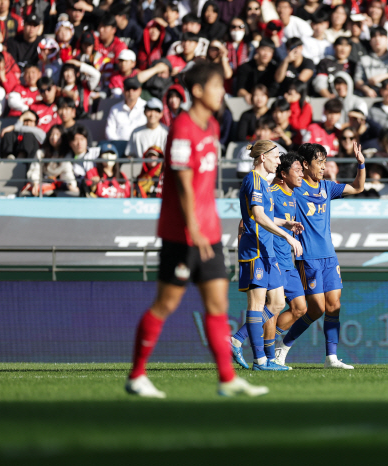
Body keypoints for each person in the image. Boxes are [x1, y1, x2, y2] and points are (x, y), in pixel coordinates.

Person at [125, 62, 268, 398]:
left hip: (210, 232)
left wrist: (207, 227)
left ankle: (227, 380)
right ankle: (137, 375)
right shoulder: (182, 127)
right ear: (200, 90)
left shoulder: (213, 126)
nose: (223, 92)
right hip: (183, 235)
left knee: (218, 305)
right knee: (165, 304)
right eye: (217, 86)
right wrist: (193, 226)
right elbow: (182, 179)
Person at [273, 142, 366, 369]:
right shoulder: (294, 187)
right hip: (308, 258)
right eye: (319, 162)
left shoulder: (327, 187)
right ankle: (274, 344)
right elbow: (274, 198)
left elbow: (357, 187)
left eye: (325, 161)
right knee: (316, 308)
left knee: (333, 306)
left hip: (329, 257)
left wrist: (361, 164)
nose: (323, 166)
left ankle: (331, 358)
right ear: (305, 164)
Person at [230, 151, 308, 369]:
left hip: (269, 253)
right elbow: (255, 217)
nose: (277, 161)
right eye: (275, 158)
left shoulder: (265, 184)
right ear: (264, 157)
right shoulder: (256, 181)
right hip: (257, 250)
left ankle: (238, 340)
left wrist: (285, 224)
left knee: (278, 304)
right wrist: (285, 235)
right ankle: (263, 359)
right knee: (259, 305)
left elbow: (264, 216)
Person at [23, 124, 79, 197]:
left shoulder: (67, 155)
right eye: (52, 134)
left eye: (58, 135)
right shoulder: (41, 153)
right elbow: (35, 170)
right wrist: (35, 183)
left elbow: (67, 173)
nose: (54, 137)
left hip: (58, 186)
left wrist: (71, 185)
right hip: (41, 183)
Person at [354, 26, 388, 97]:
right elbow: (358, 80)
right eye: (374, 36)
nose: (377, 39)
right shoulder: (364, 59)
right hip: (370, 94)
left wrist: (380, 78)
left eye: (381, 36)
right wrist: (366, 89)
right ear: (370, 41)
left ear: (387, 39)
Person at [105, 76, 147, 141]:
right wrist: (118, 144)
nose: (131, 92)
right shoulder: (115, 109)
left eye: (134, 88)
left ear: (140, 90)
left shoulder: (146, 107)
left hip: (141, 144)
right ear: (123, 90)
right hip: (119, 146)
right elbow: (110, 131)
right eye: (128, 89)